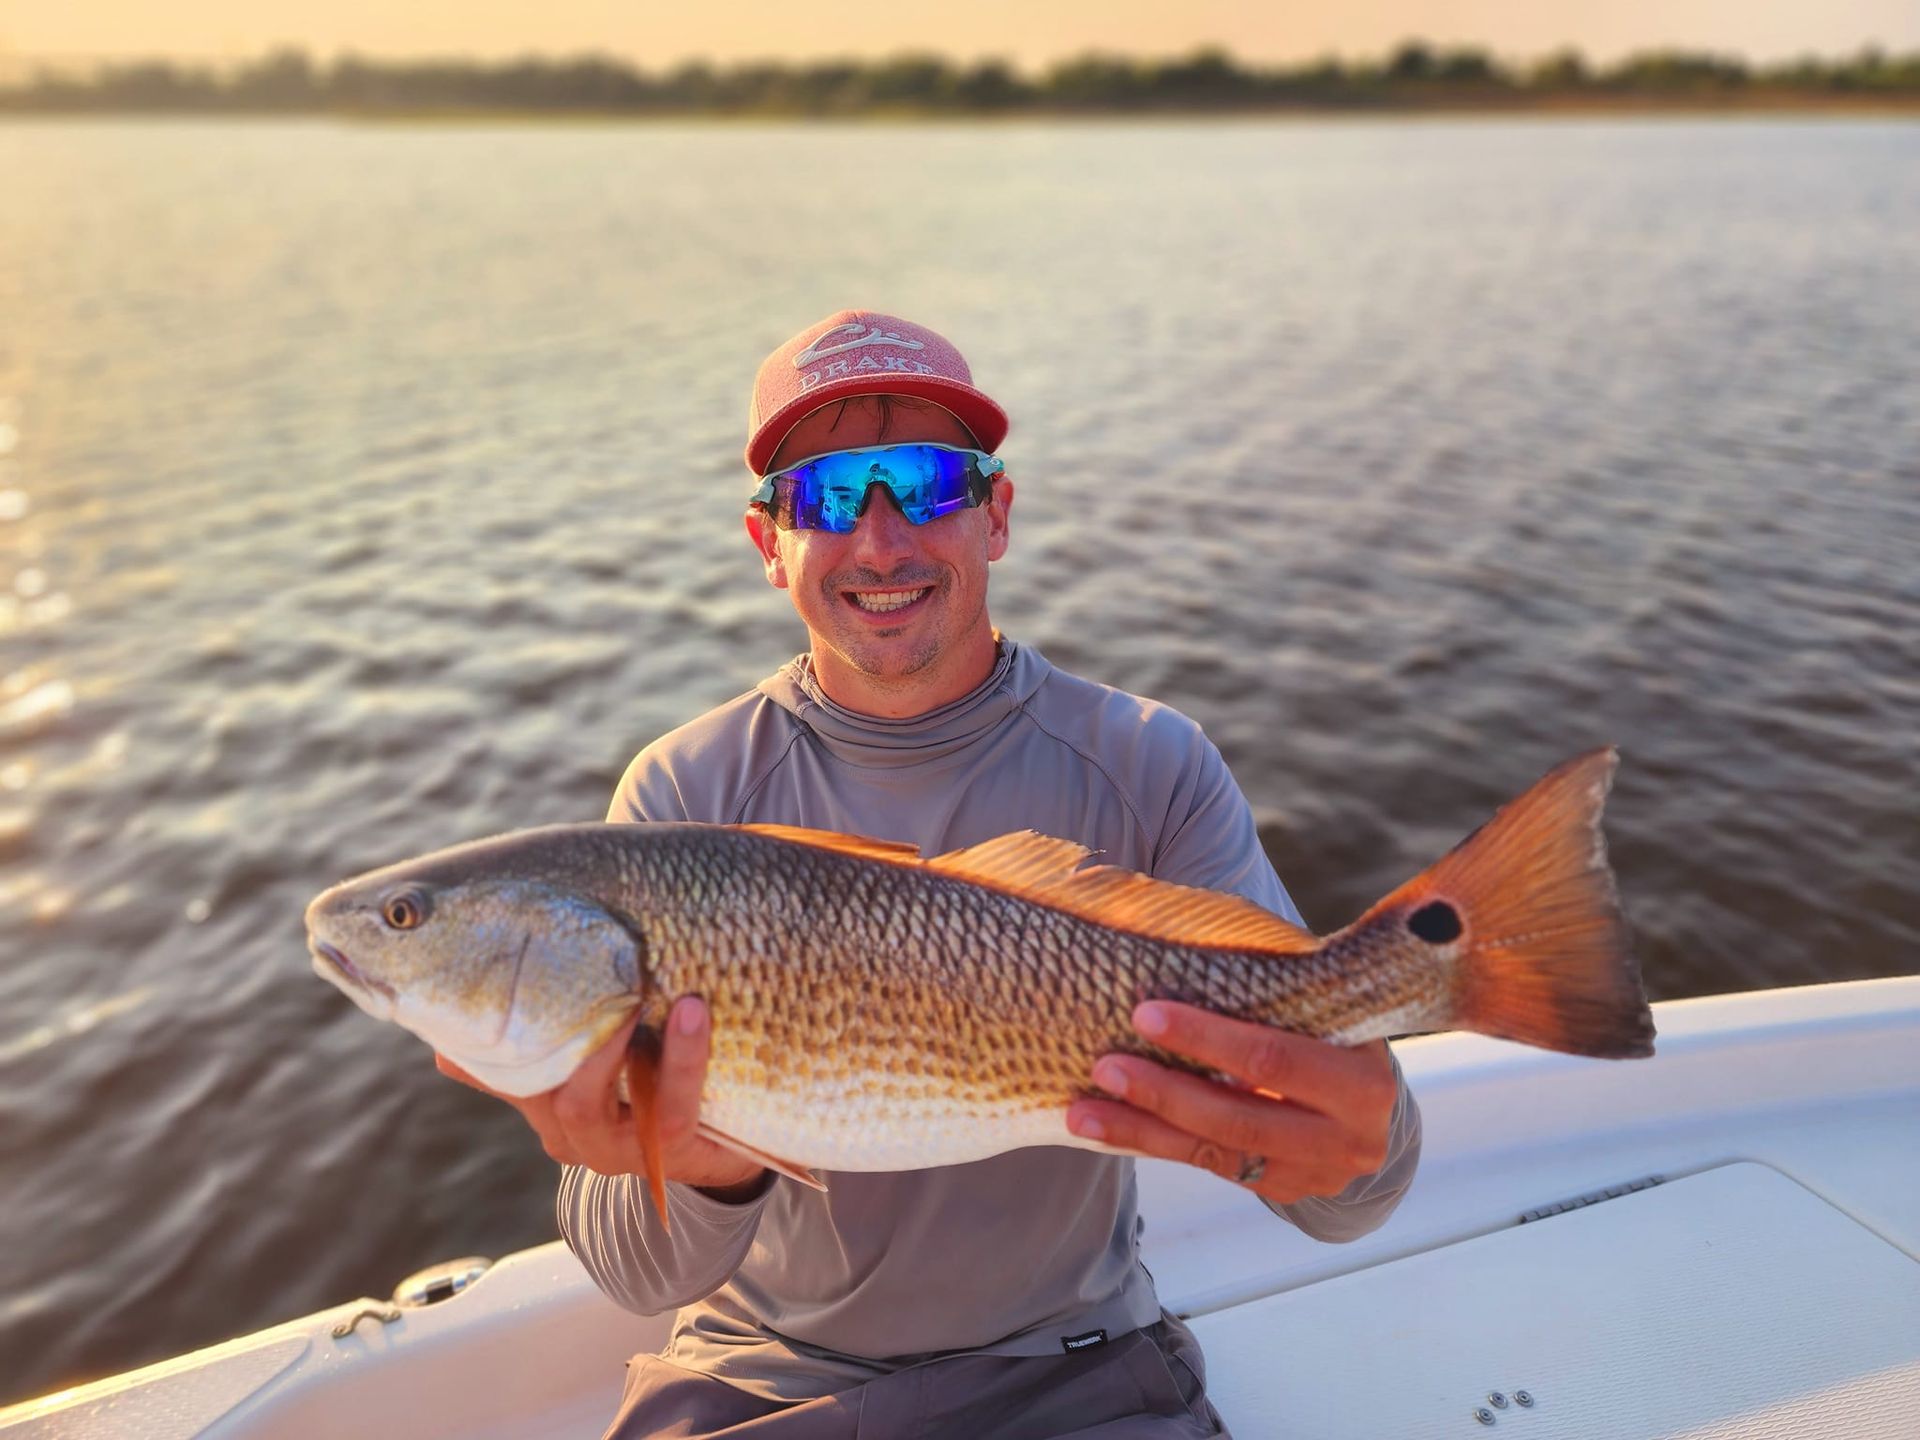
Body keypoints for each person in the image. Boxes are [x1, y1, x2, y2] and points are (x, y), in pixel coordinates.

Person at [439, 310, 1422, 1437]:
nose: (882, 537)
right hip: (761, 1383)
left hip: (1081, 1372)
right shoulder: (680, 795)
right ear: (770, 545)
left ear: (995, 513)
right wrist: (700, 1168)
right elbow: (636, 1276)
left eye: (926, 480)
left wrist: (1365, 1129)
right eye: (826, 496)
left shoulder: (1150, 763)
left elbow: (1356, 1196)